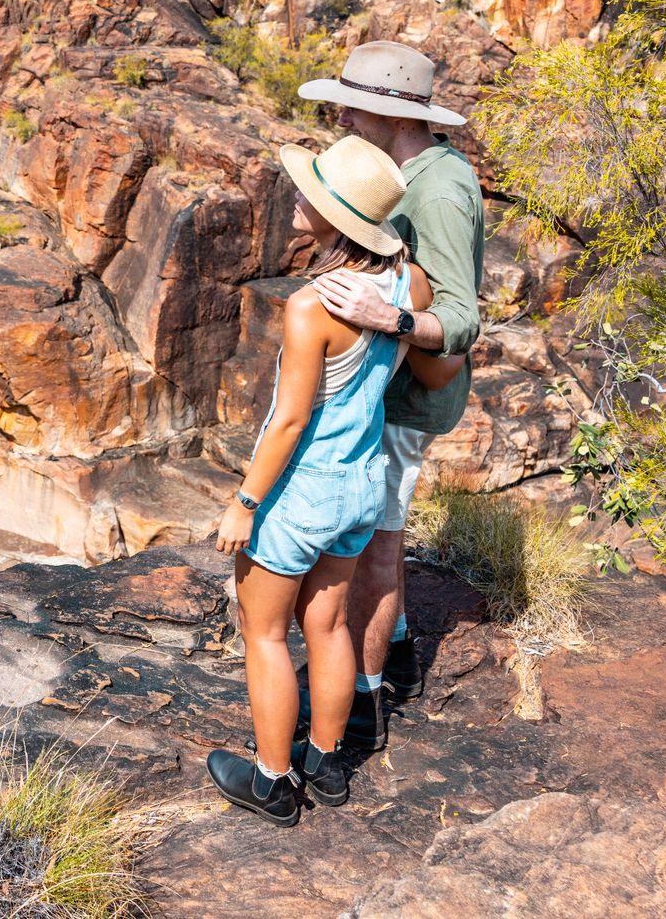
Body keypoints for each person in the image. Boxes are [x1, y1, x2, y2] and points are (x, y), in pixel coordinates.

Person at [206, 135, 466, 825]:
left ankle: (270, 781)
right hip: (361, 484)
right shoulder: (406, 282)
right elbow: (429, 346)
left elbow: (289, 423)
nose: (298, 197)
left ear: (336, 217)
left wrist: (244, 502)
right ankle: (325, 765)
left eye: (311, 193)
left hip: (302, 490)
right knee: (326, 625)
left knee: (263, 634)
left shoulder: (312, 306)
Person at [299, 42, 484, 756]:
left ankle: (360, 710)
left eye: (351, 105)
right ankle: (397, 653)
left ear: (390, 113)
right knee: (383, 531)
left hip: (408, 399)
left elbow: (463, 319)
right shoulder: (411, 169)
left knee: (376, 544)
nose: (340, 114)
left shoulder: (438, 189)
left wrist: (390, 321)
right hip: (395, 389)